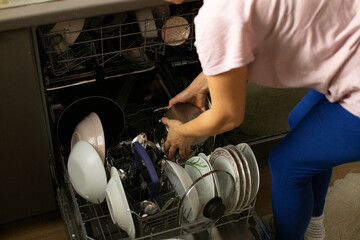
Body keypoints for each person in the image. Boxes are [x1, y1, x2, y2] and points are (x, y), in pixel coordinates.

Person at [162, 0, 360, 239]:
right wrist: (199, 86)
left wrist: (184, 132)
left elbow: (227, 116)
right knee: (300, 121)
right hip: (350, 40)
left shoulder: (216, 19)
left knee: (285, 164)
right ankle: (313, 223)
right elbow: (242, 41)